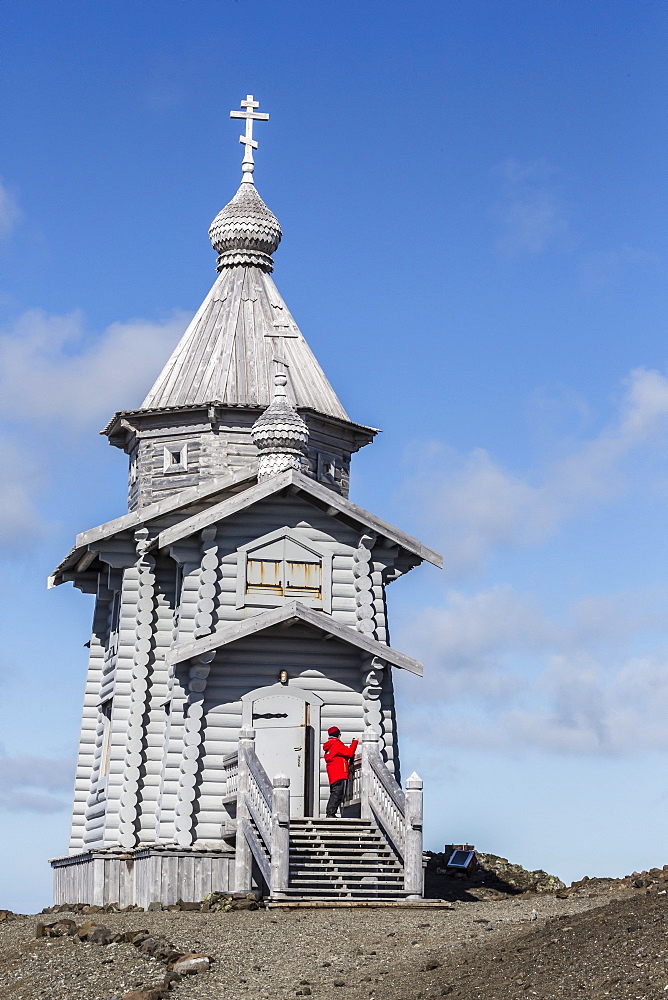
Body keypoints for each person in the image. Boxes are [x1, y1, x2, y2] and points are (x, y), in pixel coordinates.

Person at [323, 726, 358, 818]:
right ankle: (330, 814)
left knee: (335, 792)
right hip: (339, 773)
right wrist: (355, 742)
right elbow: (349, 752)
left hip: (333, 773)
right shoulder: (336, 744)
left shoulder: (329, 745)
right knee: (337, 793)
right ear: (338, 735)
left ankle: (330, 813)